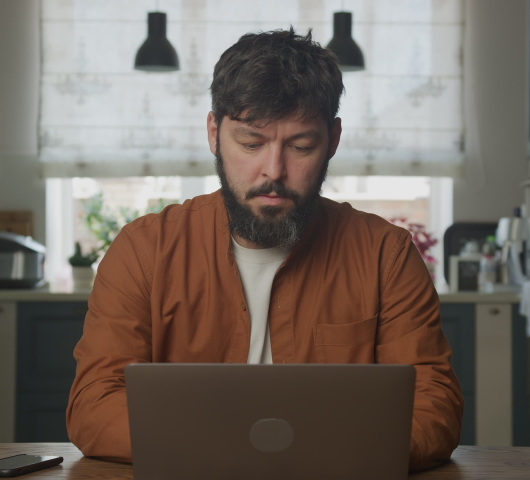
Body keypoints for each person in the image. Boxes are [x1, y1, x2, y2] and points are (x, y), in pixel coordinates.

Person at [67, 27, 463, 471]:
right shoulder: (143, 251)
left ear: (332, 141)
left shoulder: (385, 255)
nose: (273, 171)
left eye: (301, 146)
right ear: (214, 133)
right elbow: (94, 406)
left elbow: (434, 407)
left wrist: (292, 453)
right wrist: (244, 448)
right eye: (251, 143)